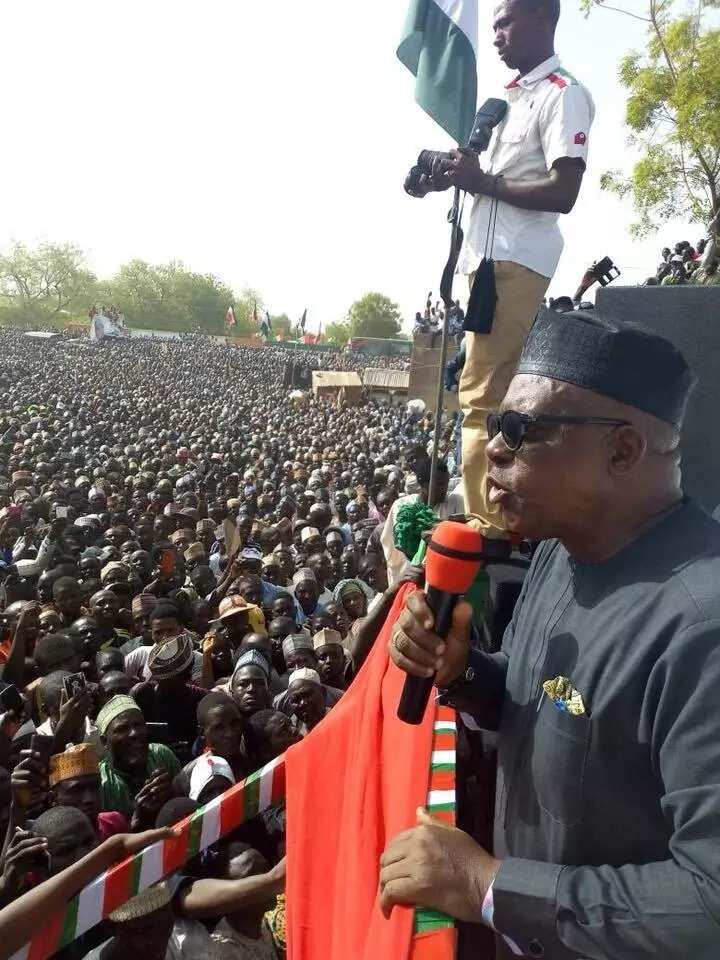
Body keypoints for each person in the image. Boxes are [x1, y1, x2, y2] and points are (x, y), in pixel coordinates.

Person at [384, 310, 720, 958]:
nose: (495, 449)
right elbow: (542, 696)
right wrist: (466, 673)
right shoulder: (556, 550)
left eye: (522, 428)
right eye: (491, 424)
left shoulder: (702, 629)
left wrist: (486, 883)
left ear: (622, 450)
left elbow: (709, 903)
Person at [411, 0, 594, 537]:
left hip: (515, 262)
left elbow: (565, 191)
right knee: (489, 392)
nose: (496, 36)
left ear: (542, 19)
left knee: (481, 398)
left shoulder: (565, 94)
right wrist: (448, 176)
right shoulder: (504, 102)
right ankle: (496, 513)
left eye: (505, 23)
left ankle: (484, 527)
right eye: (492, 26)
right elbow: (485, 179)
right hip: (485, 264)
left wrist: (484, 183)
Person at [97, 695, 181, 825]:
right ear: (104, 741)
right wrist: (137, 818)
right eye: (122, 729)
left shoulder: (161, 755)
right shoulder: (102, 782)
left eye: (139, 725)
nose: (134, 733)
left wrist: (171, 795)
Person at [48, 743, 129, 841]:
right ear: (53, 799)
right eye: (76, 791)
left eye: (94, 787)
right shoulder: (49, 843)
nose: (89, 798)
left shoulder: (114, 823)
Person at [285, 668, 327, 736]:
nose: (303, 703)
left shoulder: (341, 718)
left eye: (307, 695)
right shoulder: (293, 734)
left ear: (323, 692)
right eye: (295, 699)